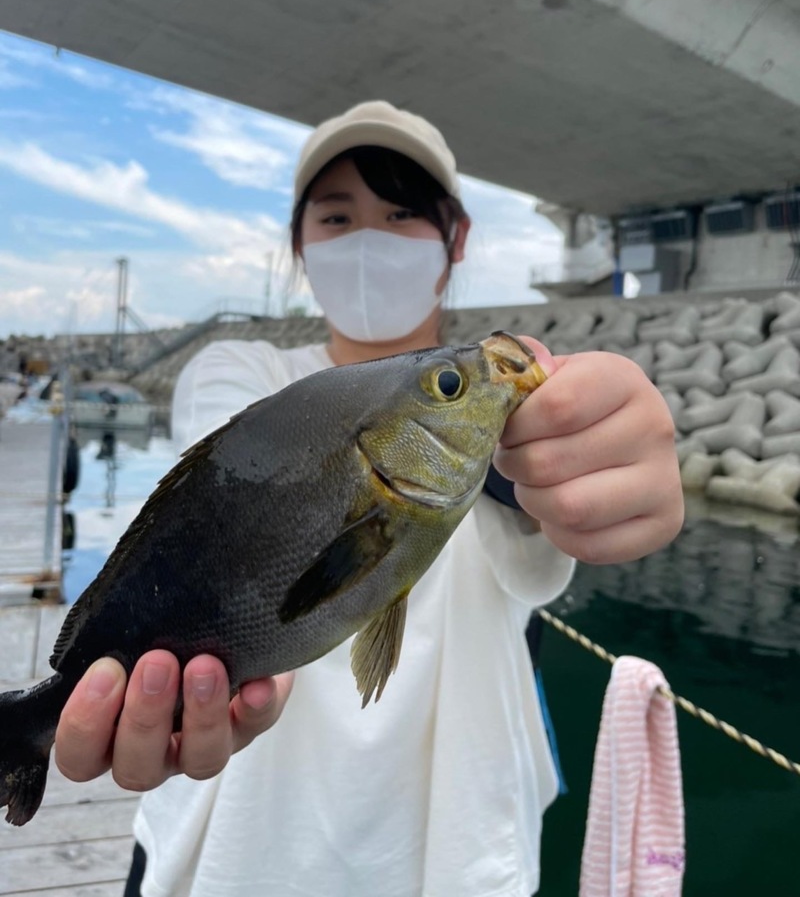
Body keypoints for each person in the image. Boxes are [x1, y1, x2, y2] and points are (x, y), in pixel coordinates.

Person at [54, 101, 684, 897]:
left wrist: (594, 453)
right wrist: (250, 657)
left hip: (455, 863)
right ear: (300, 244)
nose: (368, 240)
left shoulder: (503, 407)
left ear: (456, 240)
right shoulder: (241, 375)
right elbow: (233, 502)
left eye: (399, 214)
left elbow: (538, 514)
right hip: (223, 864)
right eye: (339, 215)